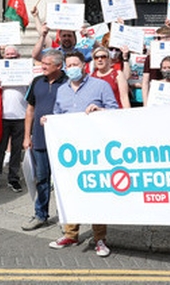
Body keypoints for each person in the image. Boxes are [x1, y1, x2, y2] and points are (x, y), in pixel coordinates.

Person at [48, 51, 119, 258]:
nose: (72, 68)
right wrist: (49, 121)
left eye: (75, 64)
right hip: (71, 150)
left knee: (95, 191)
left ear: (84, 65)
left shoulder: (100, 85)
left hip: (95, 149)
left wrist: (100, 110)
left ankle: (99, 238)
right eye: (68, 65)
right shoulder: (61, 90)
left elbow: (115, 111)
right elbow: (58, 116)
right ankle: (71, 234)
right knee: (70, 190)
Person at [21, 49, 68, 232]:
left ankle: (66, 218)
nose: (43, 67)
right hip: (40, 139)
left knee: (62, 181)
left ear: (58, 65)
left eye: (47, 64)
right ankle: (40, 214)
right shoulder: (37, 81)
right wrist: (27, 136)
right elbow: (30, 109)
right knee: (41, 179)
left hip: (62, 140)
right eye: (42, 63)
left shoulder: (68, 82)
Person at [0, 46, 28, 193]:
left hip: (21, 116)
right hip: (2, 117)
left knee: (16, 150)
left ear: (19, 56)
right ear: (4, 56)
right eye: (8, 54)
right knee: (0, 150)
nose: (10, 56)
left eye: (13, 55)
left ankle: (13, 178)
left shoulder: (25, 69)